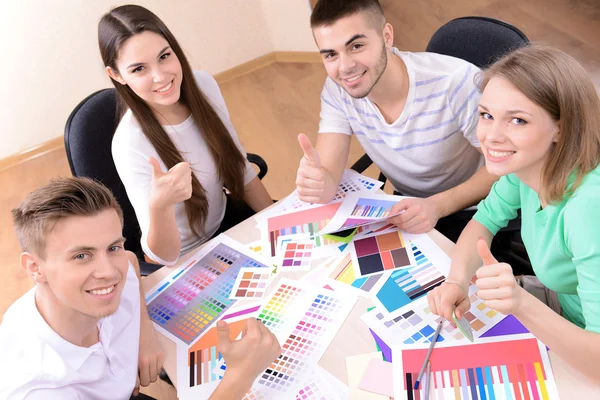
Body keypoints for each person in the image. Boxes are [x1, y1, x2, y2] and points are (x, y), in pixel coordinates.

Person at [0, 177, 281, 399]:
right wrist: (240, 375)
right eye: (81, 256)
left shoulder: (110, 275)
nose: (110, 271)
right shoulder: (41, 388)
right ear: (35, 268)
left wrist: (145, 335)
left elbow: (132, 262)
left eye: (112, 247)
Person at [427, 45, 600, 383]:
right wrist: (457, 280)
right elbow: (484, 221)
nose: (491, 136)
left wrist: (520, 302)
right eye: (486, 114)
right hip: (562, 309)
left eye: (517, 120)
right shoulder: (522, 169)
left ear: (561, 129)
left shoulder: (588, 210)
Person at [295, 0, 498, 242]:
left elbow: (506, 170)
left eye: (357, 46)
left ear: (387, 36)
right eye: (331, 54)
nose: (345, 67)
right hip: (409, 209)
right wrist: (319, 182)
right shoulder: (338, 90)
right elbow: (328, 176)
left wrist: (437, 206)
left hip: (477, 211)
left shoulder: (455, 82)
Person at [99, 5, 273, 266]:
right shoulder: (129, 143)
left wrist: (281, 222)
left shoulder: (204, 86)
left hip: (226, 226)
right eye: (139, 69)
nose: (160, 76)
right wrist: (159, 204)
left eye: (164, 56)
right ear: (116, 75)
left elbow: (240, 168)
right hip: (182, 258)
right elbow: (161, 256)